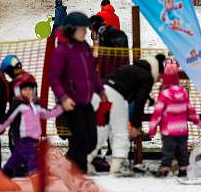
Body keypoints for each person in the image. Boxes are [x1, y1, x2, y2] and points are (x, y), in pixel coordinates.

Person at [49, 11, 108, 174]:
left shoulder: (85, 48)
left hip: (86, 100)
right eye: (82, 29)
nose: (86, 32)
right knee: (80, 138)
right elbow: (54, 78)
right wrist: (63, 98)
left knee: (91, 140)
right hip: (71, 102)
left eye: (85, 29)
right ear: (70, 30)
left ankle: (66, 162)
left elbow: (92, 73)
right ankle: (78, 173)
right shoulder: (61, 51)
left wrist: (100, 90)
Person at [94, 54, 165, 174]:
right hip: (115, 96)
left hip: (100, 93)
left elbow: (136, 93)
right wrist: (136, 126)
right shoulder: (146, 77)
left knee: (102, 130)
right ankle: (118, 166)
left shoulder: (133, 69)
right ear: (157, 70)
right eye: (160, 77)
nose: (159, 80)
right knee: (120, 132)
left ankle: (86, 161)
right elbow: (139, 102)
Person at [0, 79, 63, 178]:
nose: (28, 92)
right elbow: (9, 118)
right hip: (22, 137)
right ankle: (36, 176)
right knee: (32, 157)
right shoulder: (19, 105)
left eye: (30, 89)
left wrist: (60, 107)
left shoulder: (36, 106)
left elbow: (48, 113)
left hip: (33, 138)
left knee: (15, 160)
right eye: (25, 89)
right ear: (20, 92)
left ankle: (5, 176)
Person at [149, 62, 201, 177]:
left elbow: (157, 113)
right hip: (182, 129)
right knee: (182, 151)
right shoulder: (183, 92)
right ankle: (183, 169)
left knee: (168, 150)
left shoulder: (164, 94)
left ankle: (165, 169)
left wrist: (152, 128)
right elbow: (190, 109)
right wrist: (197, 121)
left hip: (168, 130)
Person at [89, 14, 130, 80]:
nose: (93, 32)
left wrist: (103, 32)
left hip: (118, 76)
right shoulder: (101, 38)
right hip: (105, 76)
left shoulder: (118, 34)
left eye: (92, 29)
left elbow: (117, 47)